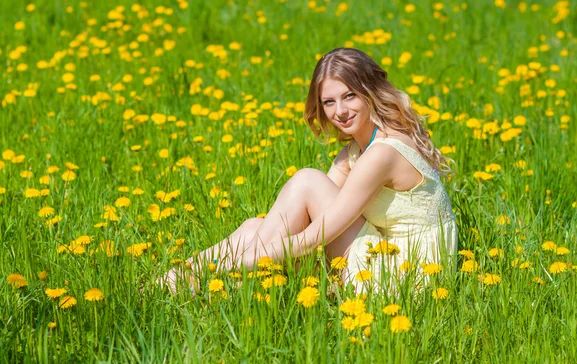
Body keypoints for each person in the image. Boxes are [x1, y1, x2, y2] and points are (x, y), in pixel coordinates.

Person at [160, 48, 457, 293]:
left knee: (306, 181)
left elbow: (315, 236)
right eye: (329, 102)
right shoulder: (358, 150)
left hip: (407, 282)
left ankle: (218, 284)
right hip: (383, 260)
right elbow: (307, 217)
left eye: (349, 95)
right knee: (254, 226)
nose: (339, 111)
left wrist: (235, 263)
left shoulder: (382, 153)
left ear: (371, 91)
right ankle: (177, 279)